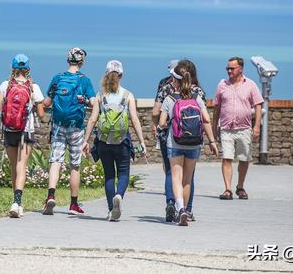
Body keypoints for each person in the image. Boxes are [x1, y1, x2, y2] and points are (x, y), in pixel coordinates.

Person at [82, 60, 147, 221]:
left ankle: (112, 209)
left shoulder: (100, 96)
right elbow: (134, 119)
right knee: (124, 173)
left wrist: (85, 141)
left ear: (106, 74)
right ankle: (119, 195)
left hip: (104, 142)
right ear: (121, 75)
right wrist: (142, 141)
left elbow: (92, 120)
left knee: (109, 176)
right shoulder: (127, 95)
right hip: (122, 142)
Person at [158, 63, 217, 226]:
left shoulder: (170, 99)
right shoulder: (196, 98)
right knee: (187, 179)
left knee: (176, 178)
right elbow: (206, 119)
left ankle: (180, 209)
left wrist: (165, 124)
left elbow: (162, 122)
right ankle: (186, 210)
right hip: (194, 144)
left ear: (175, 81)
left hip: (175, 142)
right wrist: (212, 141)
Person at [42, 47, 96, 216]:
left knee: (55, 161)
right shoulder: (85, 81)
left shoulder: (57, 78)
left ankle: (51, 195)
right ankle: (73, 204)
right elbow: (94, 103)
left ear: (68, 60)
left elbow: (46, 102)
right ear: (82, 61)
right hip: (77, 127)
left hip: (58, 125)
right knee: (75, 165)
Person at [0, 54, 45, 218]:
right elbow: (42, 114)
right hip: (26, 131)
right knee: (21, 165)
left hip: (9, 130)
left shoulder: (5, 85)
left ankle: (16, 203)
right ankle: (17, 202)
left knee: (13, 166)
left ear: (13, 68)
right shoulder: (33, 88)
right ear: (28, 69)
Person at [212, 56, 263, 200]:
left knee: (244, 159)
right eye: (227, 68)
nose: (229, 71)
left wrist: (257, 126)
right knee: (226, 158)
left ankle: (240, 187)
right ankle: (227, 189)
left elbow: (258, 105)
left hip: (244, 128)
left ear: (240, 69)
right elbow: (216, 108)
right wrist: (214, 126)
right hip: (226, 127)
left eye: (232, 68)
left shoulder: (251, 84)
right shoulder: (222, 84)